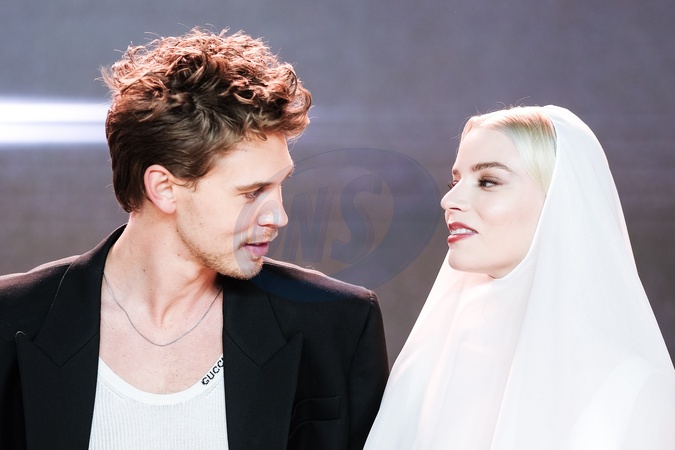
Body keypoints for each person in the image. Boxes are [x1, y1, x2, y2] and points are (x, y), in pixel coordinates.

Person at [0, 28, 389, 450]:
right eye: (252, 192)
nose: (279, 216)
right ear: (164, 188)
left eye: (280, 186)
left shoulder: (338, 324)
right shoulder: (11, 318)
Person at [364, 105, 675, 449]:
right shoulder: (427, 363)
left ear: (559, 200)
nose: (449, 199)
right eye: (455, 181)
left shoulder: (634, 392)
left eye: (488, 181)